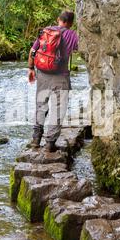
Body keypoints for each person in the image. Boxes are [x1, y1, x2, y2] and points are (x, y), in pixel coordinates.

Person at [27, 10, 79, 152]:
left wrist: (31, 68)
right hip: (61, 77)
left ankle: (36, 139)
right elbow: (84, 49)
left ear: (58, 19)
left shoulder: (46, 32)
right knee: (58, 109)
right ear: (71, 23)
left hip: (42, 74)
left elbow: (32, 51)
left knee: (40, 105)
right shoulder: (72, 35)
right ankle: (50, 144)